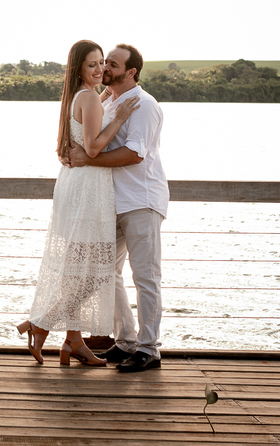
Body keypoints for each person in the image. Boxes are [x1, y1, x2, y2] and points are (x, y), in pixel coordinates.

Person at [16, 40, 139, 366]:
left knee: (79, 269)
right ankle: (40, 324)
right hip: (88, 187)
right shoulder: (90, 99)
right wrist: (121, 117)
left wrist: (105, 102)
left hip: (76, 184)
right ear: (79, 69)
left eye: (103, 63)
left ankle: (73, 342)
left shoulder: (79, 96)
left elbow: (88, 122)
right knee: (92, 271)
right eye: (93, 65)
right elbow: (95, 148)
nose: (100, 69)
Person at [67, 43, 168, 373]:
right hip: (110, 202)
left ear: (132, 72)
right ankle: (126, 341)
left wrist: (88, 158)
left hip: (141, 201)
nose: (105, 67)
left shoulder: (144, 105)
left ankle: (149, 348)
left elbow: (134, 154)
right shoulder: (107, 101)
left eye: (112, 63)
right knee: (105, 272)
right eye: (104, 62)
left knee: (146, 277)